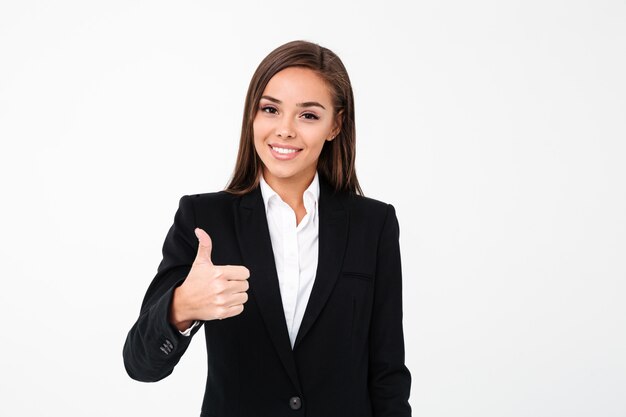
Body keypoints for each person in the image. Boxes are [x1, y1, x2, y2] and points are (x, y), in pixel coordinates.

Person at [123, 39, 412, 416]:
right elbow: (140, 364)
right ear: (252, 116)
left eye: (308, 115)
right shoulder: (203, 220)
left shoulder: (374, 225)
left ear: (335, 125)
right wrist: (181, 307)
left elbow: (387, 372)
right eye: (270, 109)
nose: (285, 130)